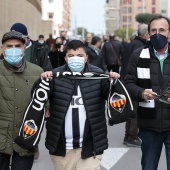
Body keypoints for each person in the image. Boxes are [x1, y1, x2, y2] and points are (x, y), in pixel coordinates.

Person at [40, 40, 120, 170]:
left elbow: (112, 98)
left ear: (86, 58)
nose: (75, 59)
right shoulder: (56, 76)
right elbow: (39, 98)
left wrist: (113, 82)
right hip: (63, 148)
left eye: (80, 55)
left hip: (89, 146)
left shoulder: (97, 75)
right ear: (65, 58)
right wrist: (43, 80)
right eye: (71, 56)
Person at [125, 15, 170, 170]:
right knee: (148, 167)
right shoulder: (138, 55)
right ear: (148, 34)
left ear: (169, 33)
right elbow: (128, 83)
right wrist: (141, 92)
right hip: (149, 125)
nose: (158, 34)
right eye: (154, 30)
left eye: (162, 30)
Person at [0, 31, 43, 170]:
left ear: (25, 48)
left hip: (25, 138)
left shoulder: (37, 72)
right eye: (9, 46)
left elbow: (44, 103)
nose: (13, 50)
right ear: (2, 49)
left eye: (18, 46)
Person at [121, 24, 149, 147]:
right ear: (146, 34)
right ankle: (131, 136)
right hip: (135, 83)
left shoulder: (131, 43)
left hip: (127, 81)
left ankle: (128, 135)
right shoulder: (140, 46)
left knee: (131, 110)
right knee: (135, 111)